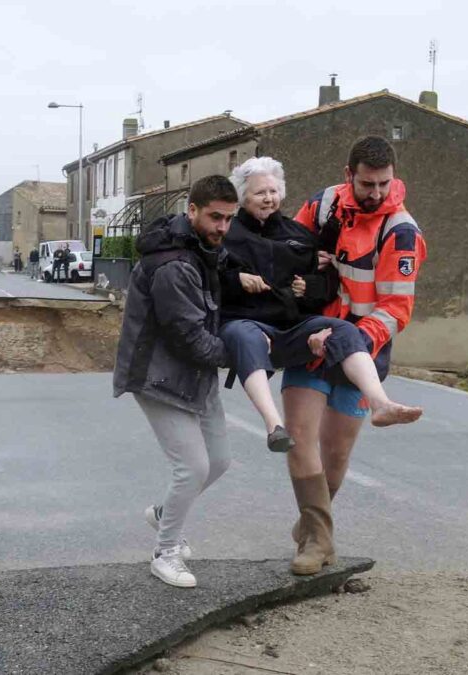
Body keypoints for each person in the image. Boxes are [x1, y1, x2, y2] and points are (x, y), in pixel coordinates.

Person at [276, 136, 428, 576]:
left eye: (383, 183)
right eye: (367, 183)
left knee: (336, 453)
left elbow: (397, 308)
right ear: (349, 176)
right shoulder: (322, 205)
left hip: (363, 348)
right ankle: (319, 541)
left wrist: (349, 342)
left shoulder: (401, 232)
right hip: (309, 338)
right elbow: (288, 252)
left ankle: (310, 525)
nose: (376, 193)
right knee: (300, 439)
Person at [218, 157, 422, 454]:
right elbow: (210, 279)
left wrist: (312, 287)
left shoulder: (299, 236)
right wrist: (237, 280)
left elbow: (327, 284)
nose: (268, 198)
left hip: (293, 328)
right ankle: (274, 425)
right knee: (243, 335)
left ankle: (381, 403)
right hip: (248, 324)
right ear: (241, 196)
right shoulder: (227, 236)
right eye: (259, 192)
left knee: (342, 330)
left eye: (273, 191)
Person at [113, 175, 238, 588]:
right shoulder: (173, 264)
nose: (222, 227)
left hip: (193, 375)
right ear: (192, 211)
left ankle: (164, 515)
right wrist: (245, 354)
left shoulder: (205, 250)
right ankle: (165, 553)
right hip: (156, 375)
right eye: (215, 217)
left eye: (228, 219)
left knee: (218, 461)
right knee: (193, 467)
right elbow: (188, 337)